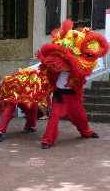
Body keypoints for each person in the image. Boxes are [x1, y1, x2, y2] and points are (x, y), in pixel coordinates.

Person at [38, 20, 108, 149]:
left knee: (80, 117)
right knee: (54, 118)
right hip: (60, 96)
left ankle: (86, 132)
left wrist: (71, 59)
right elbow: (50, 64)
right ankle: (47, 140)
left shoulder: (80, 65)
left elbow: (81, 71)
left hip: (73, 97)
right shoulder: (58, 63)